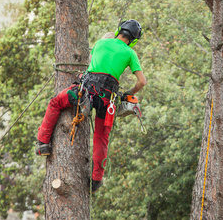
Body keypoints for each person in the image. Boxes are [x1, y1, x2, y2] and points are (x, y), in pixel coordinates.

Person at [35, 19, 147, 193]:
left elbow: (93, 63)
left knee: (56, 102)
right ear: (133, 40)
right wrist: (128, 93)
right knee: (101, 137)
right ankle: (95, 181)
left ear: (119, 31)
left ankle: (43, 144)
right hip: (107, 99)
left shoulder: (101, 42)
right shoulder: (130, 53)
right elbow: (142, 82)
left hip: (84, 91)